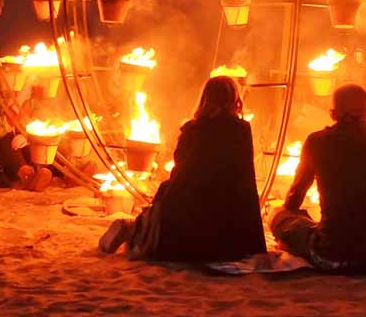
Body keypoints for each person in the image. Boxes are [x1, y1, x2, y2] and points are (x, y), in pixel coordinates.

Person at [98, 76, 266, 262]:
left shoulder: (191, 129)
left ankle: (131, 228)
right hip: (222, 215)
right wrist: (254, 241)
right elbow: (245, 180)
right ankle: (132, 228)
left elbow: (180, 171)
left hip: (185, 211)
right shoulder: (240, 129)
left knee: (158, 218)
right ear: (234, 98)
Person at [270, 84, 366, 271]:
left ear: (333, 114)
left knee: (278, 214)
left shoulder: (317, 142)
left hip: (331, 253)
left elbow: (294, 199)